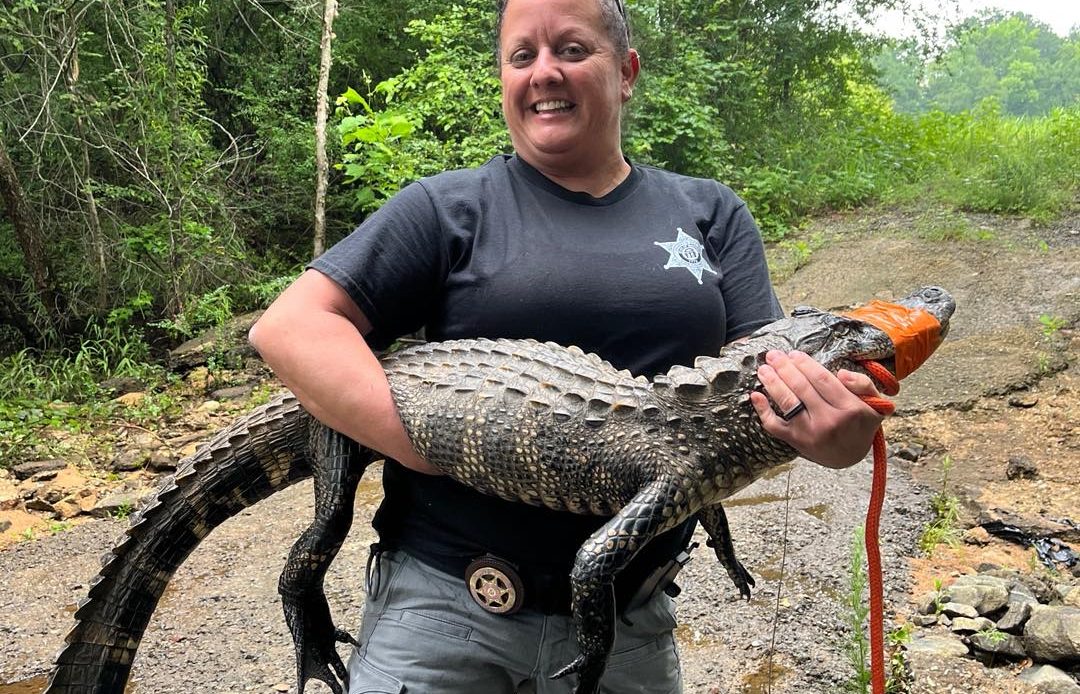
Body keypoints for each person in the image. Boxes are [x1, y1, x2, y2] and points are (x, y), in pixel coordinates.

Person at [249, 0, 885, 691]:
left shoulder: (710, 212)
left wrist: (833, 439)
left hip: (629, 624)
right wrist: (432, 440)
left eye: (573, 49)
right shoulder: (445, 206)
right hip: (437, 617)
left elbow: (747, 402)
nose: (544, 72)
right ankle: (302, 609)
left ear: (627, 71)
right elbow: (288, 328)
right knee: (330, 516)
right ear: (503, 77)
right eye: (522, 55)